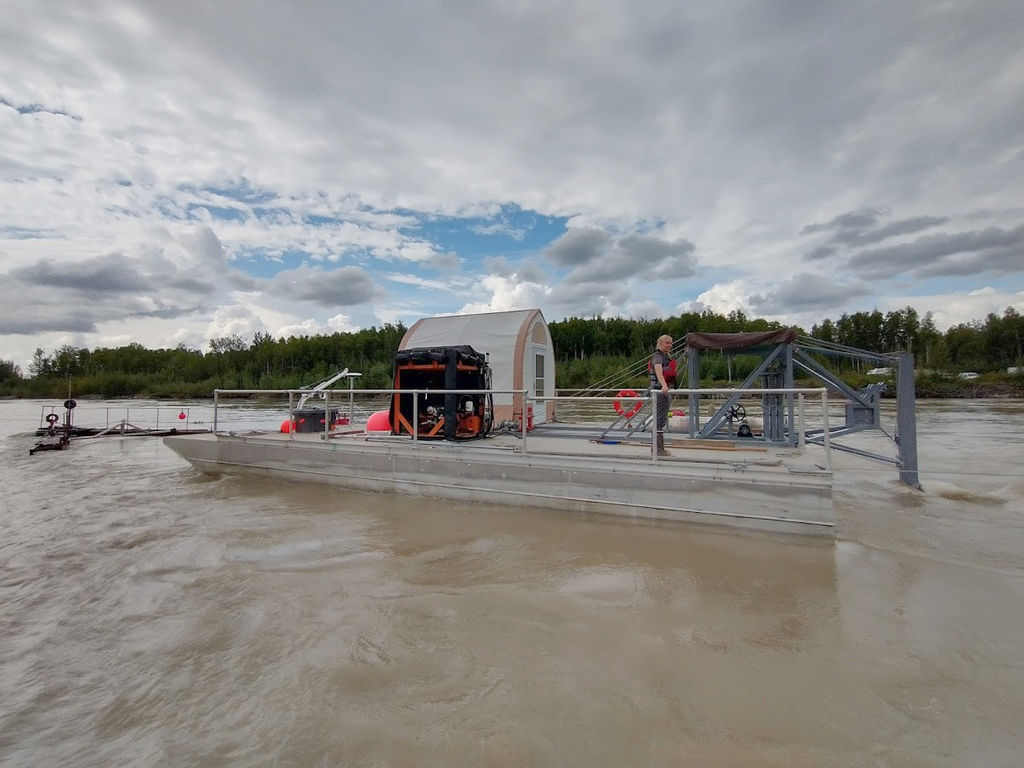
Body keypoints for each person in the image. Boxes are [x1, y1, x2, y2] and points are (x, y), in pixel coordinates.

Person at [649, 334, 673, 456]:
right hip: (659, 391)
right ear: (660, 343)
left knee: (662, 419)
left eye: (671, 343)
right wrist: (664, 385)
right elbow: (658, 370)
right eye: (667, 343)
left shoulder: (665, 357)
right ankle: (657, 450)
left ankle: (659, 449)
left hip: (664, 391)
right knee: (659, 420)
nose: (669, 345)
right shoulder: (658, 357)